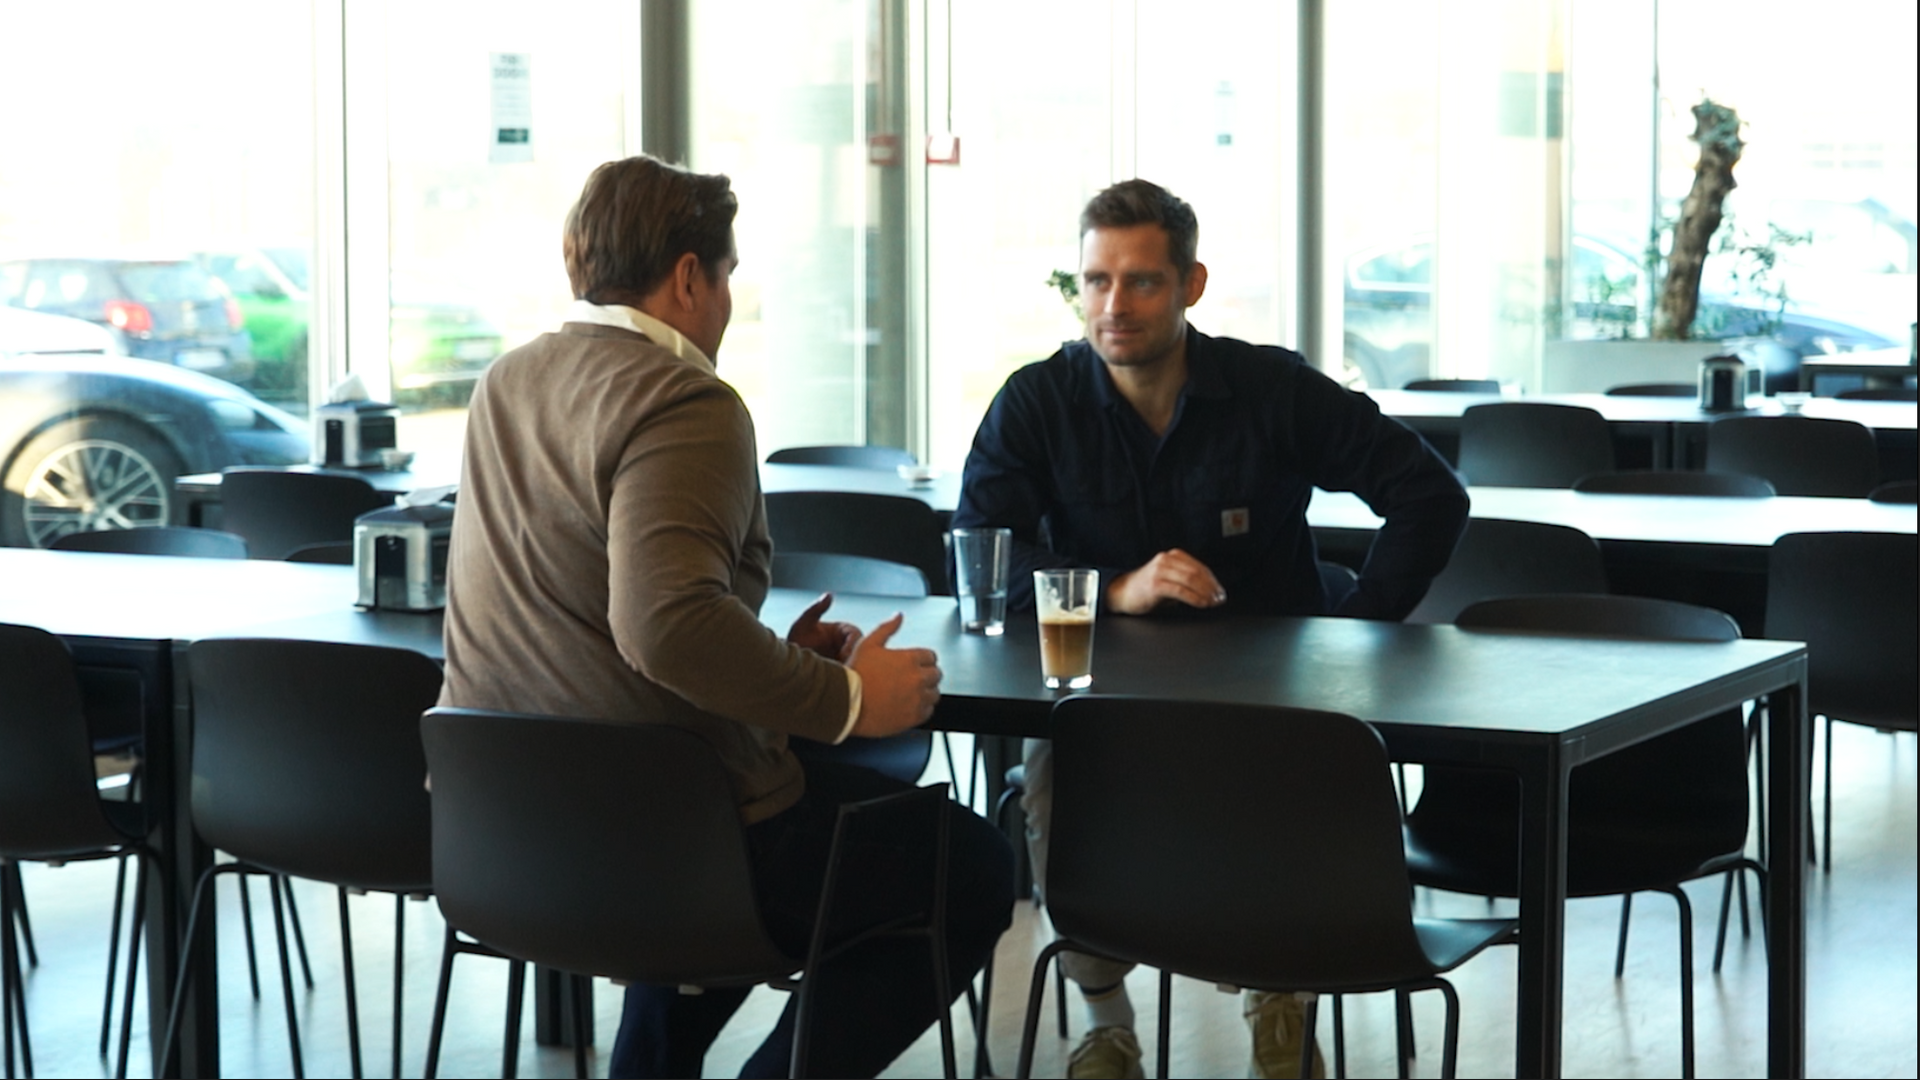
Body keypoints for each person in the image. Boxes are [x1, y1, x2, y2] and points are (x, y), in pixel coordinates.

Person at [439, 154, 1014, 1079]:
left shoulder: (508, 382)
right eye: (730, 274)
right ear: (689, 276)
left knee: (729, 817)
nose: (729, 301)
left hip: (511, 840)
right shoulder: (682, 397)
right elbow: (663, 627)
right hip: (667, 843)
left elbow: (600, 620)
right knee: (974, 869)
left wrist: (766, 662)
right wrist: (846, 700)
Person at [951, 179, 1468, 1080]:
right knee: (1052, 770)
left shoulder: (1272, 389)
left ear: (1191, 284)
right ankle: (1105, 1024)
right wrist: (1113, 589)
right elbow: (977, 549)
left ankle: (1280, 991)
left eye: (1142, 281)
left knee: (1298, 771)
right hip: (1102, 700)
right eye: (1095, 280)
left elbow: (1431, 494)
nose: (1114, 306)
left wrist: (1357, 629)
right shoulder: (1037, 401)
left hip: (1271, 700)